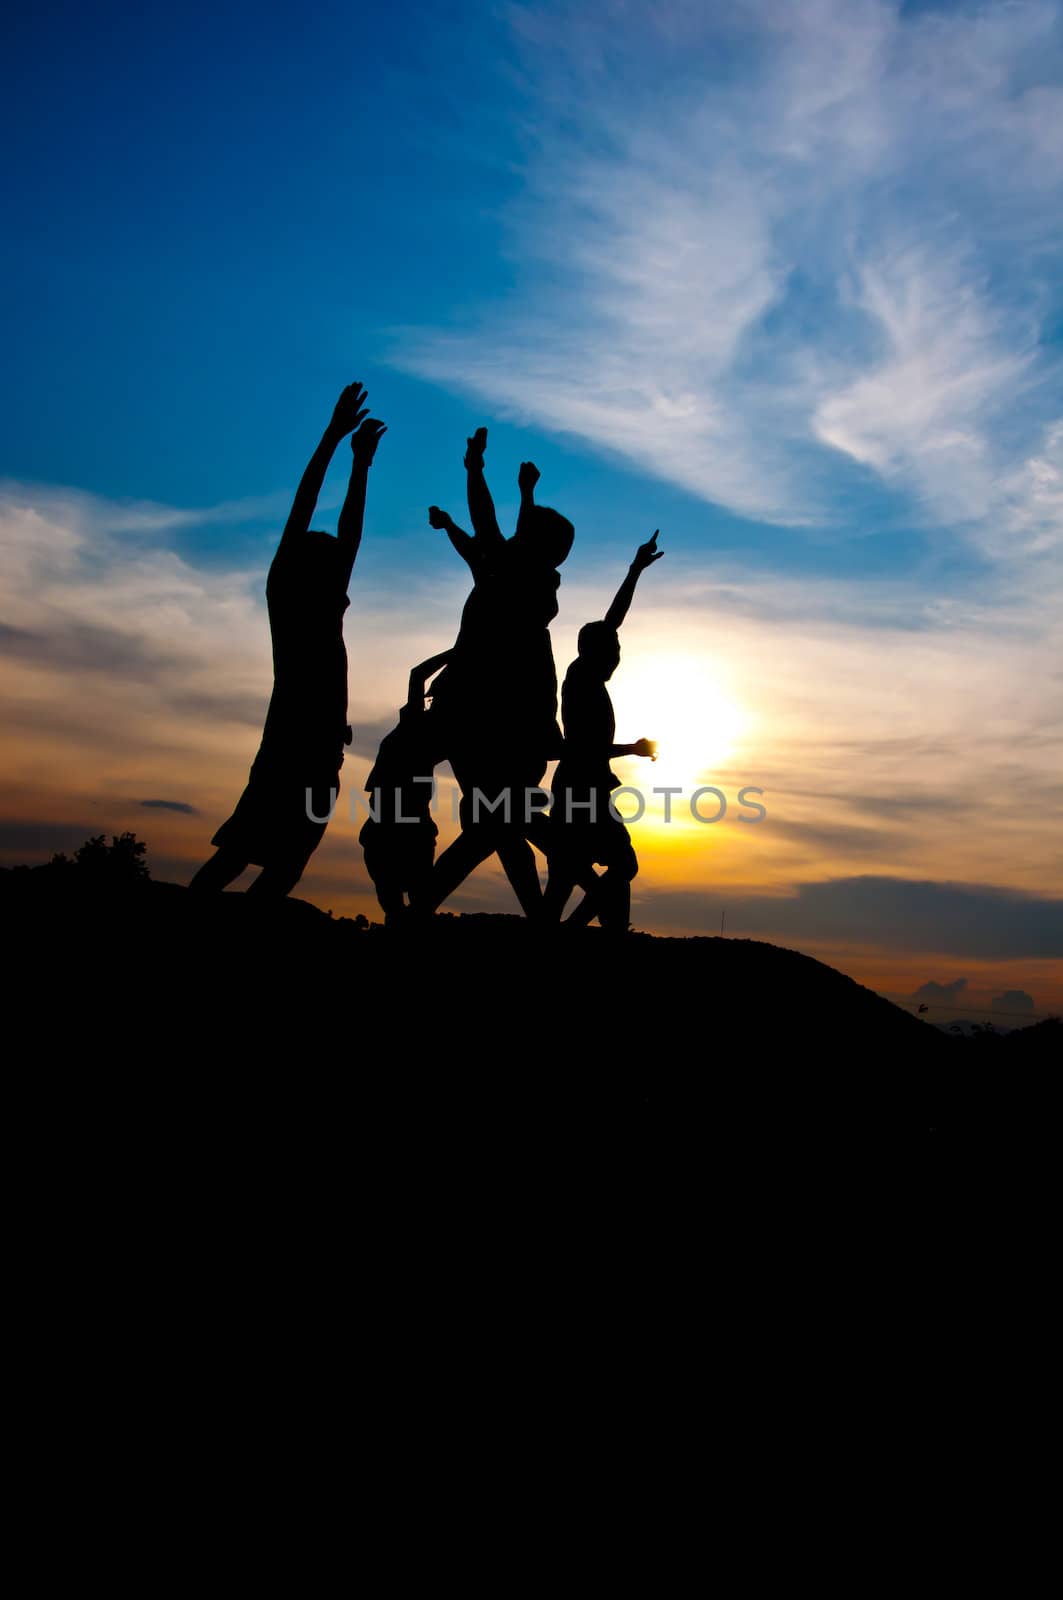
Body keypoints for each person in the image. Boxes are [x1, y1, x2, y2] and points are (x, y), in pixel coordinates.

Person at [190, 384, 386, 897]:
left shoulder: (315, 591)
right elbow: (312, 508)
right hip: (292, 745)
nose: (339, 552)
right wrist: (339, 445)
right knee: (247, 855)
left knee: (284, 861)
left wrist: (359, 461)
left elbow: (346, 531)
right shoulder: (290, 591)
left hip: (318, 749)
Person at [420, 428, 574, 916]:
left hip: (495, 719)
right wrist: (482, 475)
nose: (519, 528)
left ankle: (536, 915)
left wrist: (483, 473)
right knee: (498, 825)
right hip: (485, 720)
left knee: (500, 829)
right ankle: (420, 910)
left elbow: (488, 527)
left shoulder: (516, 575)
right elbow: (486, 526)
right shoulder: (517, 575)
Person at [543, 531, 663, 930]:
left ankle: (592, 930)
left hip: (587, 787)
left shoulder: (589, 679)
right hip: (580, 789)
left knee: (569, 876)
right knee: (612, 866)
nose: (617, 658)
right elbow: (584, 748)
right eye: (612, 652)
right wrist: (632, 748)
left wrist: (634, 570)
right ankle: (575, 931)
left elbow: (613, 620)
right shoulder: (581, 682)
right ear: (595, 653)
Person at [359, 650, 452, 923]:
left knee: (406, 900)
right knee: (403, 900)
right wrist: (459, 652)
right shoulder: (420, 724)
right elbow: (417, 676)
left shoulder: (429, 730)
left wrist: (459, 652)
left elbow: (417, 675)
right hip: (396, 821)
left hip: (402, 821)